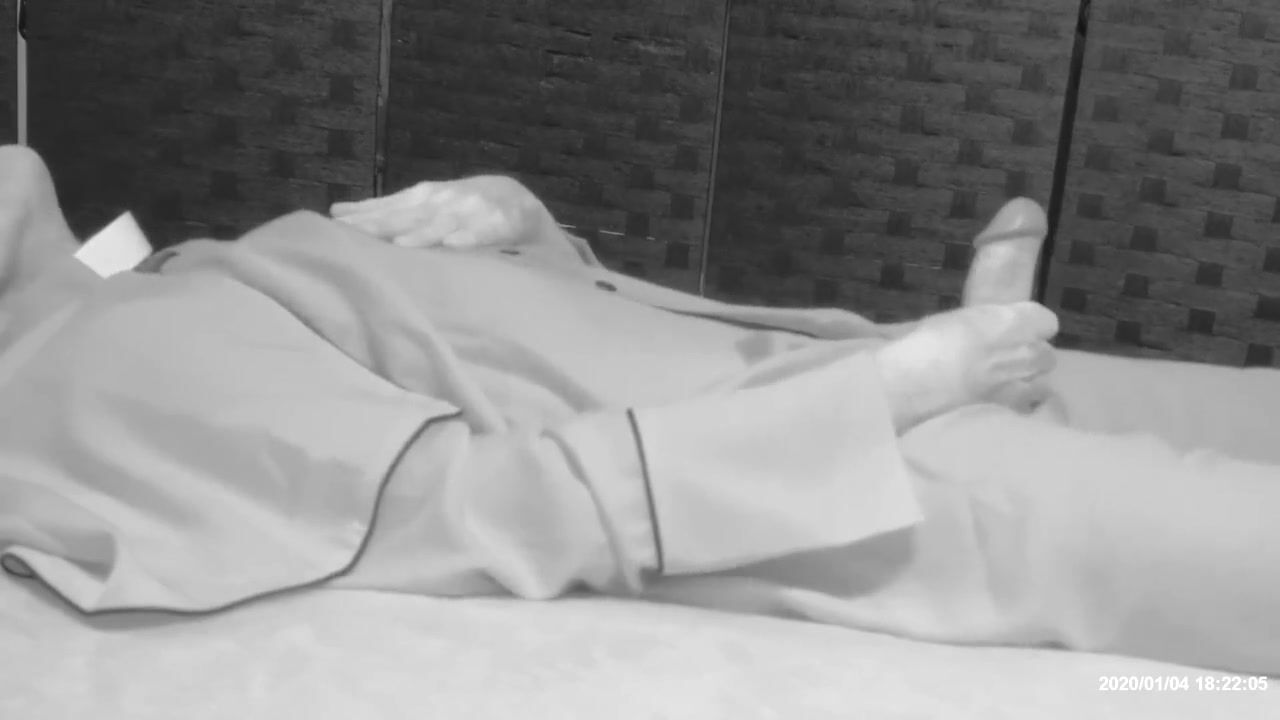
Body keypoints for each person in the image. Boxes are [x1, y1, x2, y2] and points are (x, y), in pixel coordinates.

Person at [0, 144, 1276, 677]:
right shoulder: (71, 378)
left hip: (858, 369)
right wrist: (871, 405)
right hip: (853, 486)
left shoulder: (161, 274)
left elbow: (536, 364)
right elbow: (479, 510)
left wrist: (530, 235)